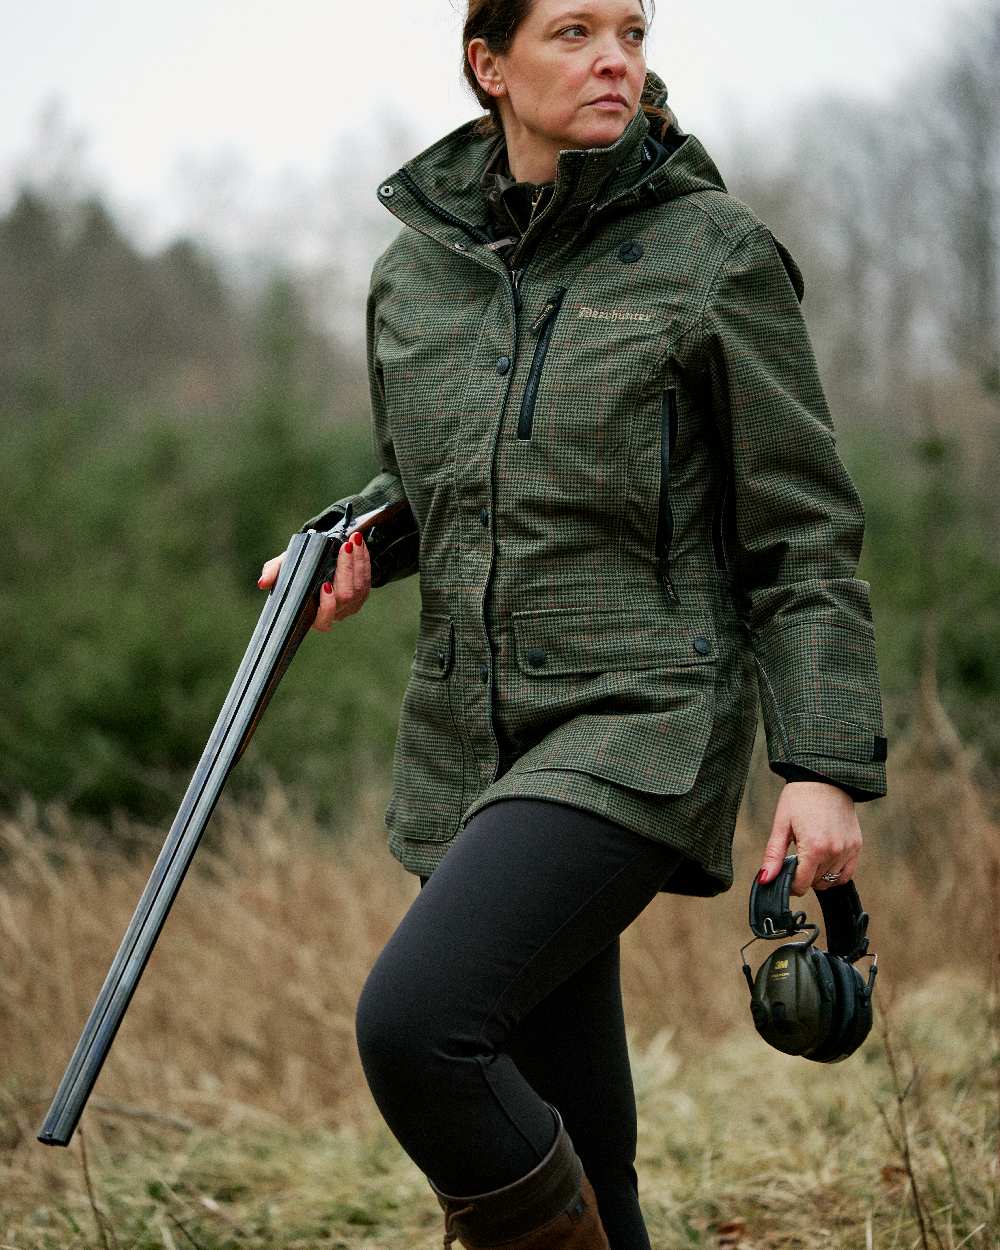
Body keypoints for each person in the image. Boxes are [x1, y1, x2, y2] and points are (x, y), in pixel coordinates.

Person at [258, 1, 889, 1245]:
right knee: (582, 1139)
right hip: (471, 734)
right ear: (488, 65)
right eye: (573, 31)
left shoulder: (711, 254)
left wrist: (819, 764)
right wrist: (353, 546)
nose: (615, 59)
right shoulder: (414, 276)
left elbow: (800, 525)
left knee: (417, 1025)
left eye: (632, 33)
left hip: (639, 719)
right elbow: (442, 488)